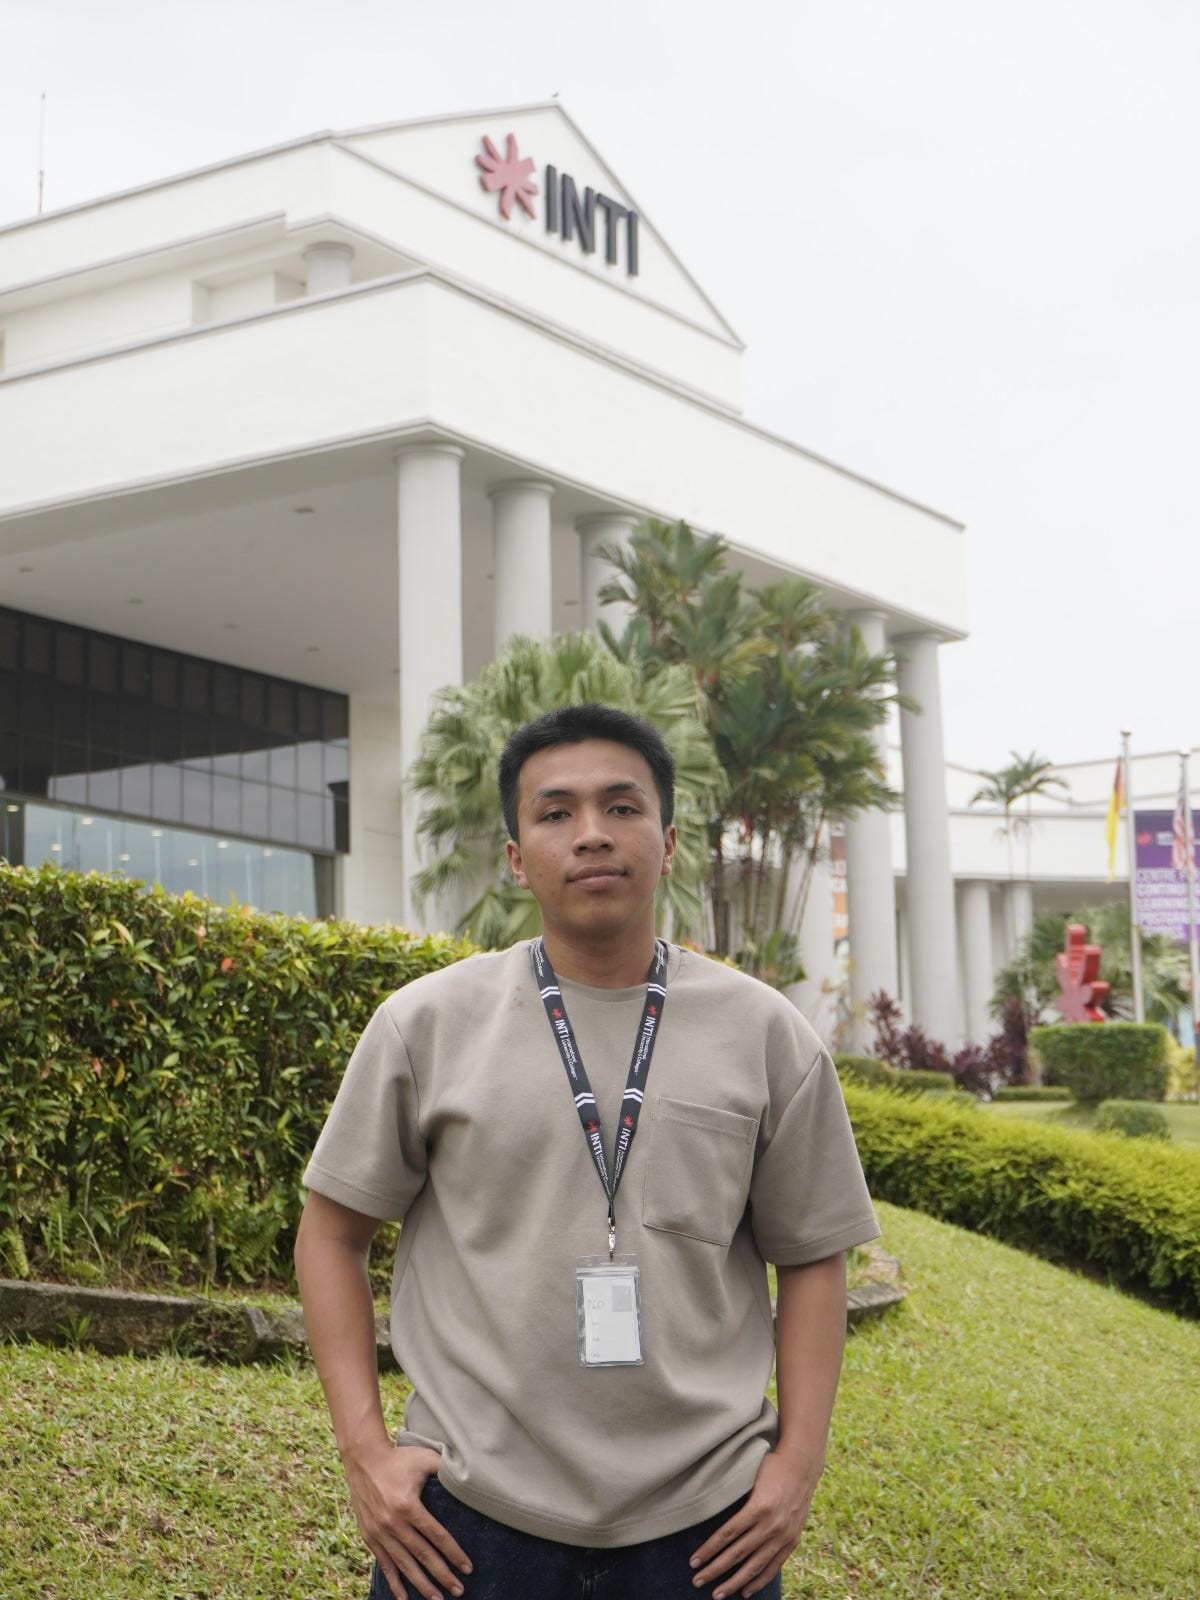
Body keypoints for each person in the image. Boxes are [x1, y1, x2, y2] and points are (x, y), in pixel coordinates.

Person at [294, 703, 880, 1600]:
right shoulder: (428, 1026)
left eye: (622, 806)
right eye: (556, 812)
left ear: (669, 841)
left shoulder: (766, 1035)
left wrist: (796, 1466)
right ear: (516, 855)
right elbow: (331, 1235)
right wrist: (365, 1453)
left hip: (709, 1532)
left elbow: (812, 1258)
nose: (592, 834)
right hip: (465, 1526)